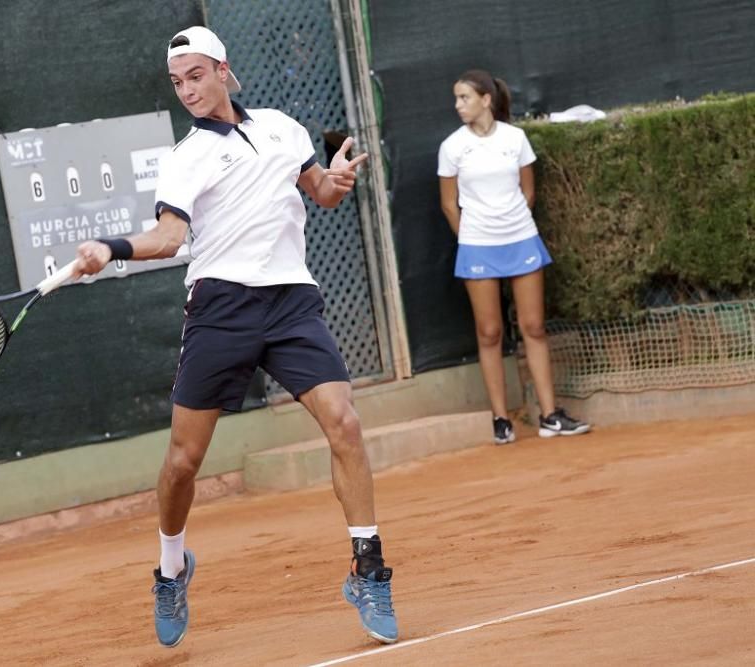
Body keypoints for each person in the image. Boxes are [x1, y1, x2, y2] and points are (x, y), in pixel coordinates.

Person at [72, 26, 398, 648]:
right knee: (183, 461)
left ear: (223, 70)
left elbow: (319, 194)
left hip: (291, 301)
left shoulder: (282, 127)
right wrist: (110, 249)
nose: (187, 90)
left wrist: (335, 178)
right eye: (177, 82)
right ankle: (171, 567)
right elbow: (169, 239)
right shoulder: (186, 156)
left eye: (196, 75)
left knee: (346, 424)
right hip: (221, 307)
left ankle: (368, 565)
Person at [437, 69, 591, 445]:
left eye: (464, 98)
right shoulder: (452, 147)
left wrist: (511, 227)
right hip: (477, 247)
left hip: (522, 240)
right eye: (456, 99)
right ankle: (501, 420)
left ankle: (550, 416)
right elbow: (448, 205)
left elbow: (528, 192)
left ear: (486, 100)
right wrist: (472, 239)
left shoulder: (515, 139)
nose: (458, 105)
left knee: (534, 327)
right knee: (490, 332)